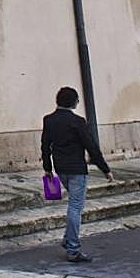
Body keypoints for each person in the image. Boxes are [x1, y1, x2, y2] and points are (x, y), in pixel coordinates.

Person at [42, 86, 113, 263]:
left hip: (61, 169)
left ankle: (68, 239)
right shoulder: (78, 122)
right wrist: (105, 169)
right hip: (77, 170)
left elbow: (45, 146)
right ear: (74, 102)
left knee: (74, 205)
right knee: (75, 207)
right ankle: (73, 249)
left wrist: (48, 168)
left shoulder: (49, 120)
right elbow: (91, 146)